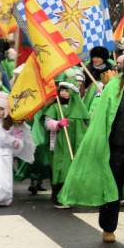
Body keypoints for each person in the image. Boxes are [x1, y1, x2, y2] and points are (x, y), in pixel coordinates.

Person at [59, 49, 124, 248]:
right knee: (111, 187)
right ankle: (108, 228)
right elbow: (100, 118)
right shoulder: (112, 87)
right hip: (113, 148)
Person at [36, 72, 90, 207]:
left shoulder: (79, 108)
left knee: (72, 169)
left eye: (67, 90)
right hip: (59, 145)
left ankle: (70, 196)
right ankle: (58, 197)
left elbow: (86, 123)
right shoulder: (56, 107)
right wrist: (58, 124)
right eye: (62, 90)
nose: (64, 93)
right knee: (60, 168)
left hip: (74, 144)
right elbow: (47, 122)